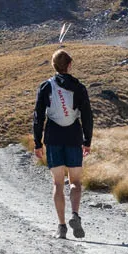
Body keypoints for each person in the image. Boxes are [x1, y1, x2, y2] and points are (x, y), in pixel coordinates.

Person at [32, 48, 93, 239]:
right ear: (69, 65)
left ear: (54, 66)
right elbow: (87, 116)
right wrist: (87, 140)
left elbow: (38, 116)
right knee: (75, 182)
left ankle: (61, 226)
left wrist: (37, 143)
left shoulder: (45, 86)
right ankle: (75, 214)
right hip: (73, 136)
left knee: (58, 183)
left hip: (53, 137)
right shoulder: (79, 87)